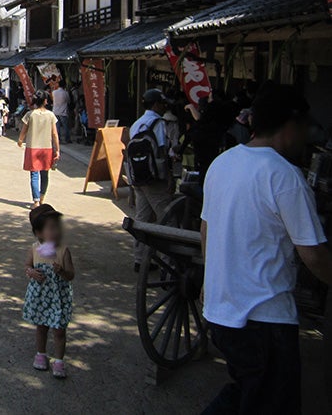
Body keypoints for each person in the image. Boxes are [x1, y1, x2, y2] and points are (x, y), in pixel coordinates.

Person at [200, 83, 332, 414]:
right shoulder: (285, 176)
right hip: (264, 317)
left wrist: (209, 281)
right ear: (290, 125)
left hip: (222, 312)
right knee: (269, 400)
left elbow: (206, 229)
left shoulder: (223, 163)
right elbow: (313, 254)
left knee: (246, 392)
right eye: (304, 127)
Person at [23, 204, 75, 379]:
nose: (56, 232)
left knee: (59, 330)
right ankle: (41, 353)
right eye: (51, 228)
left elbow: (71, 275)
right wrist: (31, 272)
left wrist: (62, 271)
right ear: (39, 233)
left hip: (58, 297)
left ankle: (59, 360)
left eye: (57, 227)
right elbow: (27, 266)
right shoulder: (35, 249)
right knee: (41, 327)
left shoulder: (63, 251)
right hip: (41, 295)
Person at [128, 88, 173, 272]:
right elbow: (162, 150)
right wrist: (168, 176)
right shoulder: (158, 123)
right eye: (162, 103)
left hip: (138, 176)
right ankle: (168, 261)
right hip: (154, 178)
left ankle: (139, 259)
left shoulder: (136, 124)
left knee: (142, 217)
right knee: (167, 218)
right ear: (155, 104)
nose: (164, 107)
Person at [17, 90, 60, 208]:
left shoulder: (30, 114)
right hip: (47, 148)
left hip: (33, 147)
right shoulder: (51, 115)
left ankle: (36, 201)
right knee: (45, 174)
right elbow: (55, 134)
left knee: (34, 174)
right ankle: (42, 198)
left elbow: (24, 130)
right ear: (45, 101)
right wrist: (57, 149)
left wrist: (20, 140)